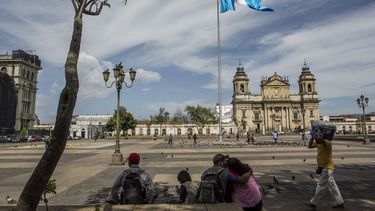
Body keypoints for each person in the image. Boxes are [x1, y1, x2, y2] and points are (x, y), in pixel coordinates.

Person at [304, 124, 344, 209]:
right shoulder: (319, 143)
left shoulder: (327, 143)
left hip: (327, 168)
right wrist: (312, 136)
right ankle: (339, 202)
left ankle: (313, 203)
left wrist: (318, 130)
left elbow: (319, 139)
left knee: (321, 185)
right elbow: (309, 146)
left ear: (322, 136)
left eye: (319, 135)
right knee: (332, 185)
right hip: (323, 167)